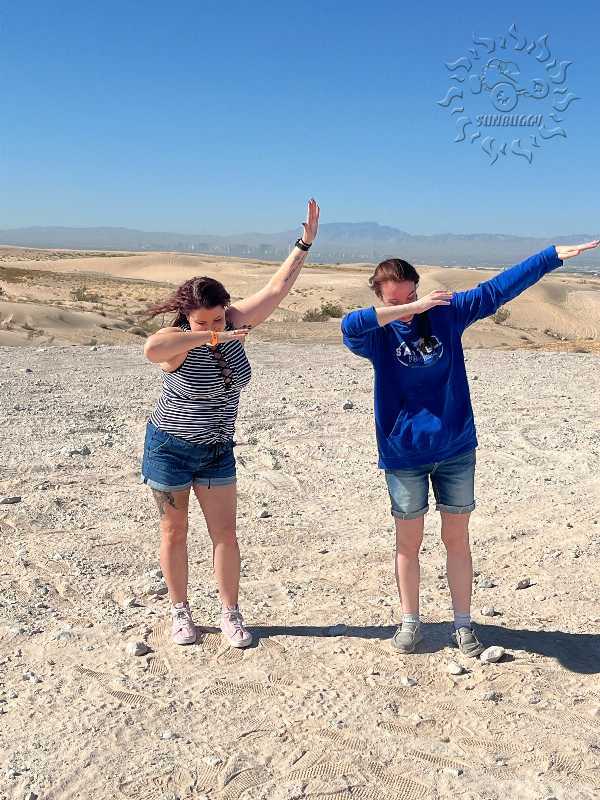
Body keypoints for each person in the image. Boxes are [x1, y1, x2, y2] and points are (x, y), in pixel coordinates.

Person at [341, 239, 599, 656]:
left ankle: (463, 623)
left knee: (457, 538)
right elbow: (349, 326)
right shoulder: (375, 334)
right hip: (403, 454)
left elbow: (497, 290)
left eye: (412, 296)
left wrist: (549, 256)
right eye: (396, 301)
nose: (410, 308)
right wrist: (410, 309)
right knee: (408, 542)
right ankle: (410, 622)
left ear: (419, 287)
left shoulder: (446, 312)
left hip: (456, 448)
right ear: (380, 299)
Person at [140, 198, 320, 647]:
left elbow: (277, 289)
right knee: (174, 532)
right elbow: (151, 349)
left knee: (225, 534)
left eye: (219, 317)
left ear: (226, 308)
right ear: (188, 318)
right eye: (202, 321)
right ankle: (180, 612)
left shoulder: (236, 324)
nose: (214, 325)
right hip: (170, 448)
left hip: (217, 449)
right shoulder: (178, 340)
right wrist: (210, 334)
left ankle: (230, 613)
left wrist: (303, 244)